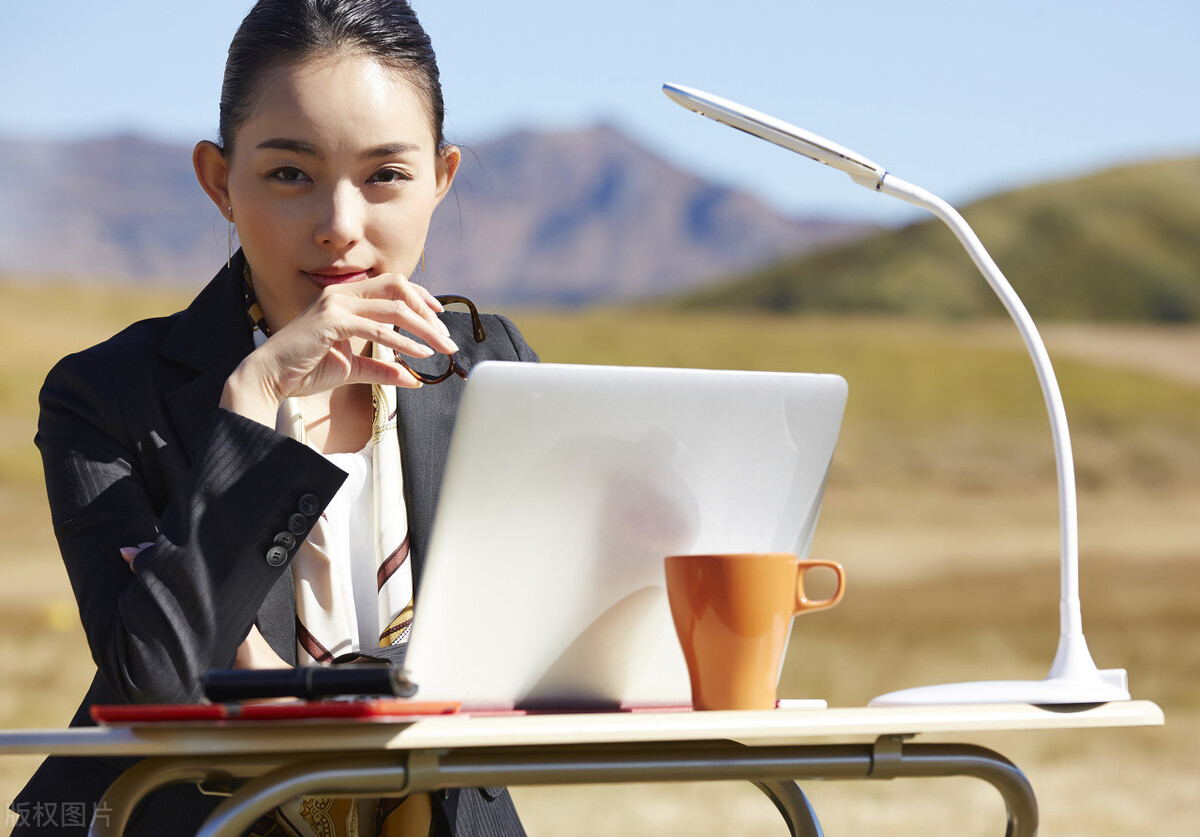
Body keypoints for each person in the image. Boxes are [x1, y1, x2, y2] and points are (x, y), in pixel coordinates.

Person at [10, 1, 534, 834]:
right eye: (291, 173)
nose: (340, 227)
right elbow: (155, 682)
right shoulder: (106, 397)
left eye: (385, 176)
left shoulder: (492, 371)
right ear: (220, 180)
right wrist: (250, 403)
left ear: (442, 179)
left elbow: (544, 648)